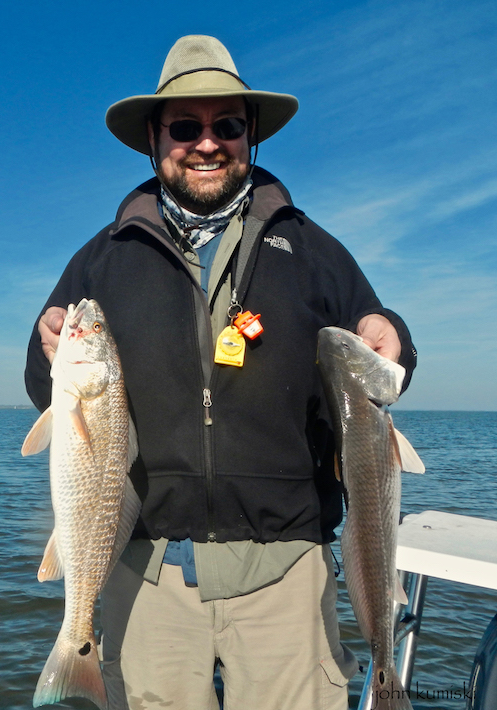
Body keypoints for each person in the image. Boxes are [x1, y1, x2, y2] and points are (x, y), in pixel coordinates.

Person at [25, 35, 416, 710]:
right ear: (154, 138)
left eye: (226, 126)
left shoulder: (313, 248)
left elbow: (375, 347)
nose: (207, 144)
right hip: (147, 579)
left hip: (287, 576)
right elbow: (47, 388)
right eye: (185, 126)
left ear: (250, 136)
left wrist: (395, 340)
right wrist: (47, 348)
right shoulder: (104, 257)